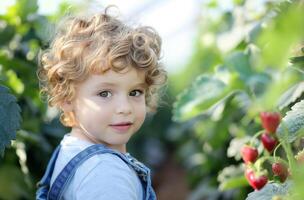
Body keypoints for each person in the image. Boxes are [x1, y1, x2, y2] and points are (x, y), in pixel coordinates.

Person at [35, 5, 167, 200]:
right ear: (66, 99)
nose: (125, 108)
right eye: (105, 93)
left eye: (135, 92)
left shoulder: (72, 149)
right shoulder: (105, 175)